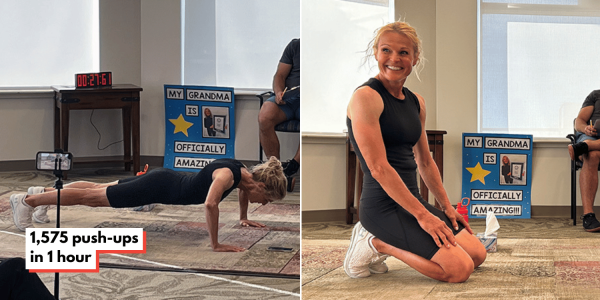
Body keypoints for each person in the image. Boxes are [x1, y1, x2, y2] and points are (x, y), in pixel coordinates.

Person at [343, 21, 487, 283]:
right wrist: (424, 217)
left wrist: (445, 207)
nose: (394, 59)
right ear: (375, 53)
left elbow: (425, 161)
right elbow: (378, 167)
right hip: (383, 207)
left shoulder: (416, 101)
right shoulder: (365, 97)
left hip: (412, 202)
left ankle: (392, 237)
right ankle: (375, 243)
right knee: (459, 270)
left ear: (415, 58)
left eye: (404, 52)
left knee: (477, 254)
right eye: (386, 50)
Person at [10, 157, 287, 252]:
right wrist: (216, 244)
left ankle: (42, 192)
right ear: (262, 185)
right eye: (267, 198)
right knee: (91, 199)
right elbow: (210, 205)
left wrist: (243, 216)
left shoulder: (242, 173)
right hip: (157, 186)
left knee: (97, 188)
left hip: (163, 179)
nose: (263, 203)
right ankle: (28, 201)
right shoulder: (228, 175)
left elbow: (243, 191)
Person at [258, 38, 300, 192]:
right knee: (264, 116)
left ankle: (291, 167)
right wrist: (278, 92)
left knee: (313, 120)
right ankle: (275, 170)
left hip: (309, 100)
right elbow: (280, 75)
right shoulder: (295, 45)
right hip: (288, 99)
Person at [568, 89, 600, 232]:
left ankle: (583, 147)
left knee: (589, 150)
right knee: (592, 155)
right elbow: (579, 121)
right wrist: (586, 129)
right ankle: (588, 215)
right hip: (593, 136)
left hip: (589, 144)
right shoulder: (596, 95)